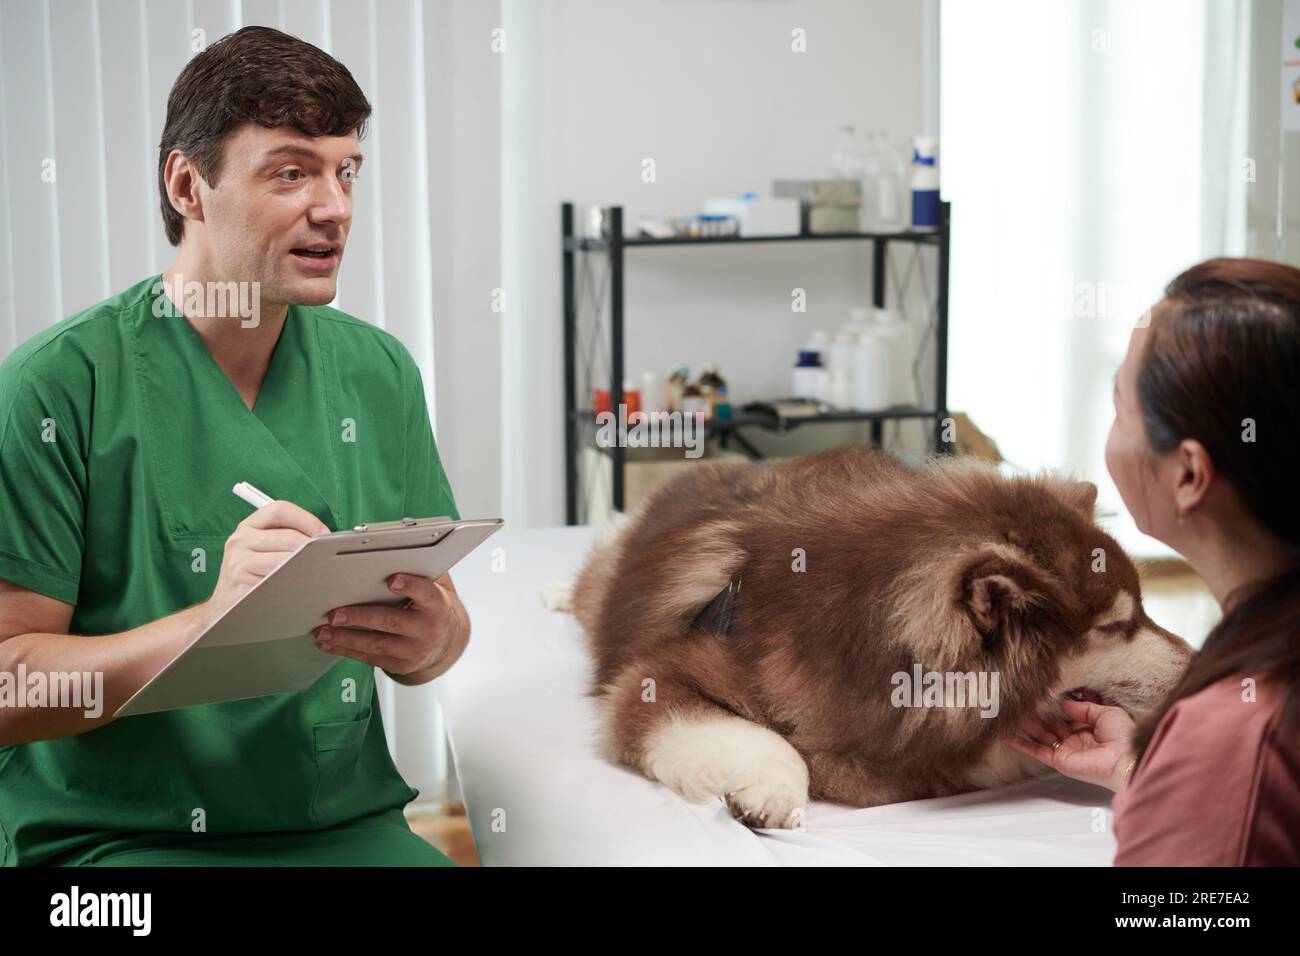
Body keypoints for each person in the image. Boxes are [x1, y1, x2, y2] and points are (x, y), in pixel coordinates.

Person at [0, 26, 469, 866]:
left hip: (341, 825)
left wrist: (434, 641)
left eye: (346, 170)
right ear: (188, 184)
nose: (335, 207)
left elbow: (443, 627)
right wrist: (211, 627)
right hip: (112, 841)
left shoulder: (379, 372)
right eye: (292, 172)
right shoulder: (56, 387)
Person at [1007, 257, 1300, 866]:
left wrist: (1191, 784)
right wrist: (1142, 769)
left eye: (1121, 406)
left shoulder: (1237, 735)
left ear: (1189, 474)